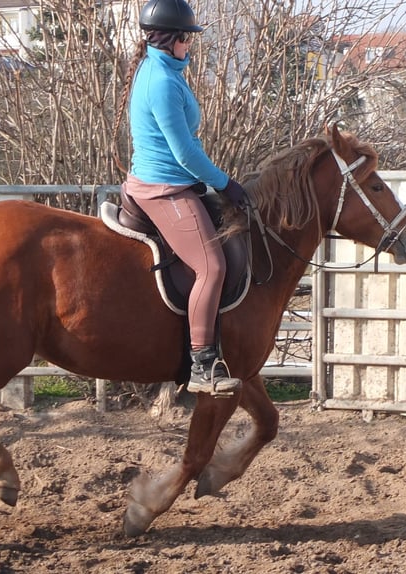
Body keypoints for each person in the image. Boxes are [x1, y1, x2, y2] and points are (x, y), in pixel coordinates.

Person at [121, 0, 247, 395]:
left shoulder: (166, 71)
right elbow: (185, 153)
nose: (190, 46)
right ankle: (202, 365)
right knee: (211, 267)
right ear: (173, 38)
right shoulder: (161, 81)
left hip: (173, 181)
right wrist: (225, 183)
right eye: (187, 39)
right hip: (165, 188)